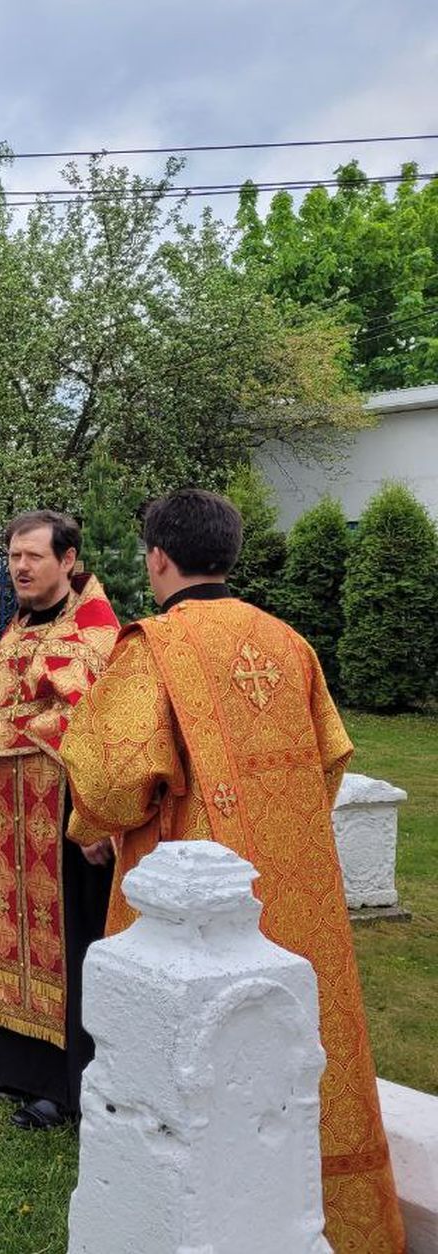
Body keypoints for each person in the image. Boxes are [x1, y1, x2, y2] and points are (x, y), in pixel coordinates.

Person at [60, 488, 404, 1253]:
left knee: (189, 1045)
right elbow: (331, 756)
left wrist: (90, 826)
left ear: (157, 557)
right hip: (293, 878)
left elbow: (113, 778)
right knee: (296, 1032)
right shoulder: (289, 641)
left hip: (195, 891)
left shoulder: (153, 647)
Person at [0, 511, 119, 1129]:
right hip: (6, 812)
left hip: (62, 816)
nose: (20, 567)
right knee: (8, 930)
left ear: (68, 560)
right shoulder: (18, 630)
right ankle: (16, 1065)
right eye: (14, 556)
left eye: (33, 556)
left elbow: (103, 733)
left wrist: (94, 815)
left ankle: (67, 1086)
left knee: (67, 943)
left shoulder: (96, 631)